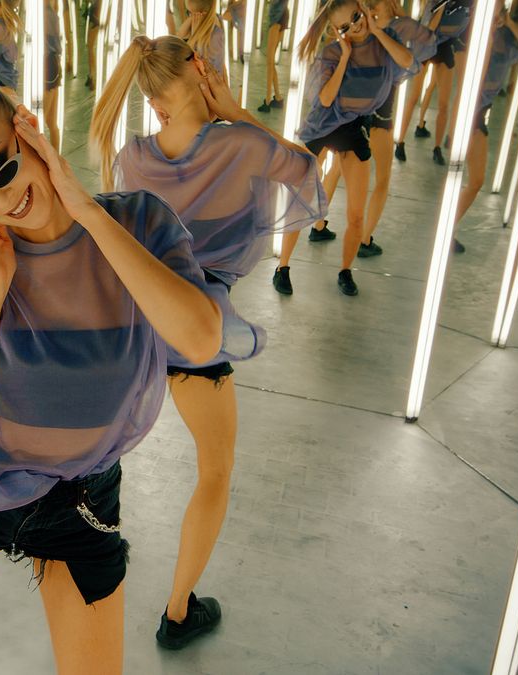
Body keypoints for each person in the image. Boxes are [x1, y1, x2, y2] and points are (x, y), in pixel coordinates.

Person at [0, 74, 260, 674]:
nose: (1, 201)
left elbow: (199, 335)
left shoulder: (139, 223)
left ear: (28, 128)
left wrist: (85, 210)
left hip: (80, 497)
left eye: (1, 168)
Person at [92, 34, 323, 650]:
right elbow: (307, 173)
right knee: (215, 470)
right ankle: (176, 611)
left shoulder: (133, 156)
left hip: (134, 326)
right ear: (203, 72)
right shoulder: (244, 144)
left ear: (151, 97)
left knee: (98, 460)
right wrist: (239, 114)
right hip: (198, 331)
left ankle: (88, 556)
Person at [274, 0, 430, 297]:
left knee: (356, 214)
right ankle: (282, 267)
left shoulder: (386, 44)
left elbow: (410, 63)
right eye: (345, 26)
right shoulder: (331, 53)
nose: (354, 26)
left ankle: (345, 270)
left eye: (356, 17)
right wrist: (345, 57)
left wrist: (376, 30)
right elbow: (325, 99)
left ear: (363, 9)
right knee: (301, 202)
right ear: (335, 30)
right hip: (321, 127)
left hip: (354, 128)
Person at [317, 0, 436, 259]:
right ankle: (365, 239)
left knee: (337, 168)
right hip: (380, 114)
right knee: (382, 179)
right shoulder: (391, 30)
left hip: (352, 116)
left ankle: (318, 224)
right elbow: (417, 54)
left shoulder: (358, 31)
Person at [450, 4, 518, 253]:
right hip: (468, 111)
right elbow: (469, 80)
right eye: (493, 10)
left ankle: (448, 227)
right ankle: (446, 228)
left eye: (501, 11)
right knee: (470, 178)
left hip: (480, 113)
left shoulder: (508, 40)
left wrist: (508, 24)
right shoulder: (470, 37)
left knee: (475, 180)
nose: (496, 16)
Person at [393, 0, 470, 165]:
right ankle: (400, 141)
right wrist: (441, 8)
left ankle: (437, 147)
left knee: (444, 103)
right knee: (414, 97)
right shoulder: (432, 4)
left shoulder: (464, 5)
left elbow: (462, 27)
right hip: (425, 45)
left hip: (444, 46)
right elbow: (428, 30)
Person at [173, 0, 227, 82]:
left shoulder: (212, 36)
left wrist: (195, 35)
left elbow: (188, 62)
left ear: (201, 14)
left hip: (208, 85)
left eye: (191, 13)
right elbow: (179, 36)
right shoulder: (214, 18)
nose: (190, 18)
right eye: (188, 13)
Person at [257, 0, 288, 112]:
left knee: (270, 62)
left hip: (276, 21)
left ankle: (268, 99)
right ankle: (278, 97)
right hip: (281, 18)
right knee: (271, 62)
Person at [44, 0, 62, 150]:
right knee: (51, 123)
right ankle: (57, 158)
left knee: (42, 119)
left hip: (48, 65)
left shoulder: (46, 15)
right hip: (53, 64)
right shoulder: (52, 13)